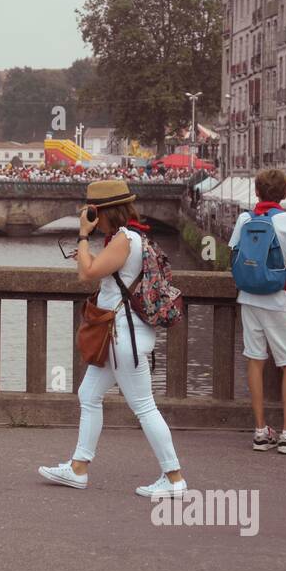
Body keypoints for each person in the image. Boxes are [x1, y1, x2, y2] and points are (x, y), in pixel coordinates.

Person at [37, 180, 186, 498]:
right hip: (119, 334)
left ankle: (173, 478)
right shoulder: (130, 237)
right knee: (88, 394)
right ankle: (78, 468)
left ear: (102, 211)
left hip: (122, 335)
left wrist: (82, 234)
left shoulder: (123, 240)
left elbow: (86, 274)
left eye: (92, 210)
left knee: (145, 407)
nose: (89, 215)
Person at [227, 168, 286, 455]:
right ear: (285, 193)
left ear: (256, 192)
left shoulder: (245, 218)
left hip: (249, 297)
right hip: (278, 298)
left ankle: (260, 430)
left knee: (255, 360)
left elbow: (233, 254)